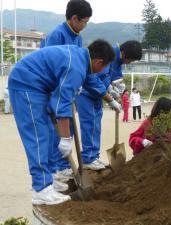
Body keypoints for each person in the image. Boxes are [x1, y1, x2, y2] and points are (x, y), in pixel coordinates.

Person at [8, 39, 119, 205]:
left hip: (38, 86)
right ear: (98, 62)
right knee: (39, 137)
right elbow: (62, 103)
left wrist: (110, 100)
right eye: (103, 67)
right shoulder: (76, 66)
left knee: (50, 134)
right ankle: (41, 190)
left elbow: (91, 82)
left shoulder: (82, 60)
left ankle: (50, 178)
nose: (101, 71)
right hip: (26, 84)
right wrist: (67, 139)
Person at [40, 0, 92, 184]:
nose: (84, 26)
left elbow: (75, 64)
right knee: (56, 130)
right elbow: (48, 65)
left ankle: (64, 166)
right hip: (52, 88)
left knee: (67, 128)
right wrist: (62, 90)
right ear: (74, 18)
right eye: (84, 21)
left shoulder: (77, 38)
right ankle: (56, 169)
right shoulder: (56, 35)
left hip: (67, 89)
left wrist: (75, 84)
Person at [76, 40, 142, 170]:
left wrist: (111, 88)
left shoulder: (119, 59)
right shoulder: (109, 56)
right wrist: (110, 99)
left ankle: (93, 157)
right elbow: (94, 79)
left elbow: (109, 78)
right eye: (131, 60)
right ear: (124, 53)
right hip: (86, 94)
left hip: (97, 96)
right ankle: (88, 158)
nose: (130, 63)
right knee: (90, 125)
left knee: (96, 126)